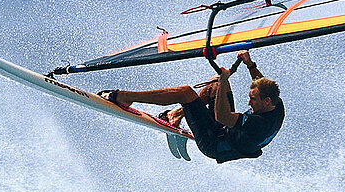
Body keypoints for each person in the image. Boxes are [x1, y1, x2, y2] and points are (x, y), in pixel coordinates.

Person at [100, 50, 284, 163]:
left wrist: (224, 79)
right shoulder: (276, 104)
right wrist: (250, 64)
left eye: (253, 100)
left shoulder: (258, 124)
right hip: (226, 131)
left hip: (215, 144)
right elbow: (260, 83)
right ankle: (176, 115)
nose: (249, 102)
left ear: (266, 102)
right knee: (215, 85)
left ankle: (125, 97)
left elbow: (222, 117)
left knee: (186, 92)